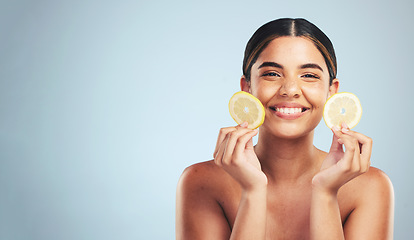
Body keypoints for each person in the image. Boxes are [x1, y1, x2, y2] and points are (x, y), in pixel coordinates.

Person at [176, 18, 394, 240]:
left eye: (309, 75)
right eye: (272, 73)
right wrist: (252, 191)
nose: (290, 90)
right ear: (247, 87)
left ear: (332, 91)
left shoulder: (370, 187)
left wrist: (326, 192)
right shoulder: (201, 181)